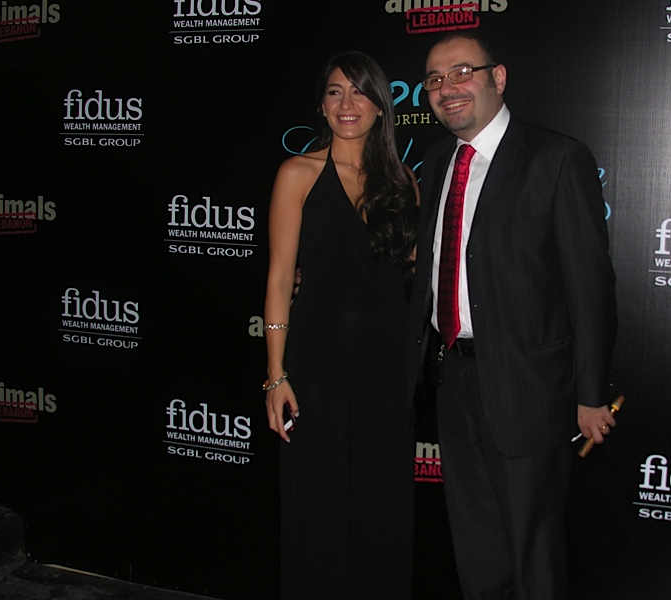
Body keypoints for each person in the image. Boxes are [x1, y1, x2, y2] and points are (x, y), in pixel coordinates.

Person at [405, 33, 619, 599]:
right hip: (453, 380)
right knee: (476, 548)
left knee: (533, 550)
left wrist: (591, 394)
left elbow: (590, 289)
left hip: (530, 388)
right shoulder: (437, 162)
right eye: (434, 79)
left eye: (462, 72)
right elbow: (433, 266)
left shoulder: (557, 159)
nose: (447, 88)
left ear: (497, 77)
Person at [264, 51, 418, 599]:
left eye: (359, 92)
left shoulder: (404, 183)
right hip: (317, 365)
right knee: (319, 502)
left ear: (380, 106)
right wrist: (276, 375)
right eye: (335, 91)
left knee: (382, 501)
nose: (347, 103)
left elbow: (413, 276)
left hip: (387, 367)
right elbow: (279, 278)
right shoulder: (298, 174)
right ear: (323, 105)